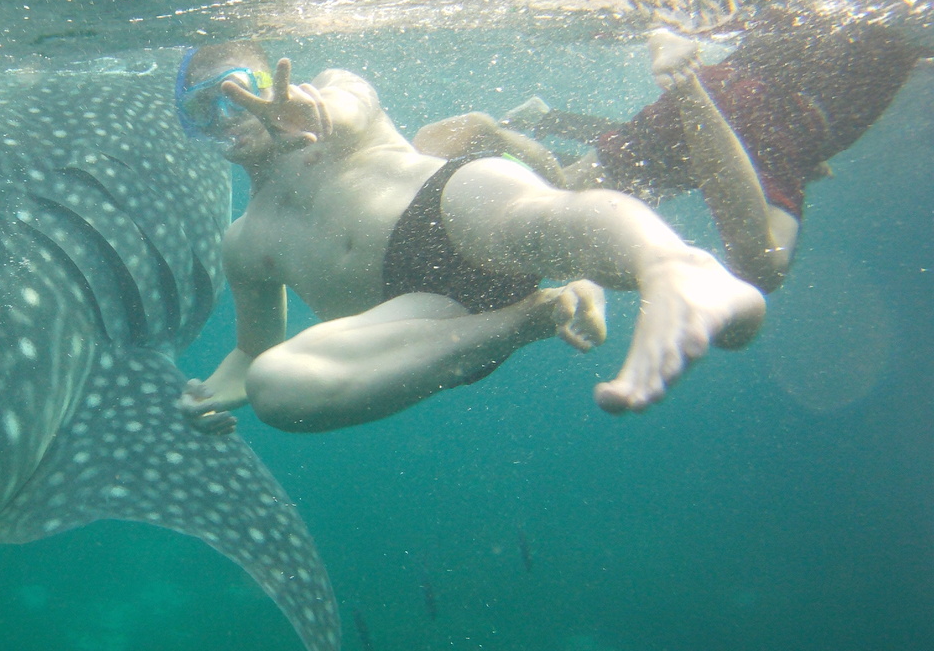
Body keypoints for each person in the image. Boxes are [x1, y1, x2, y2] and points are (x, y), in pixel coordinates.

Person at [172, 42, 766, 435]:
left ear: (275, 78)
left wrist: (312, 107)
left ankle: (674, 267)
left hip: (446, 203)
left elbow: (348, 106)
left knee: (535, 217)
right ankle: (534, 316)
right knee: (277, 388)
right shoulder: (244, 241)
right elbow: (253, 352)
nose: (231, 115)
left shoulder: (329, 94)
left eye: (238, 89)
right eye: (204, 110)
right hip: (426, 318)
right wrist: (210, 396)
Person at [414, 20, 927, 292]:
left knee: (560, 194)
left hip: (728, 93)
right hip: (756, 112)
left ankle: (505, 136)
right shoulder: (894, 53)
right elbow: (783, 117)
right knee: (761, 267)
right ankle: (680, 84)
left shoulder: (869, 50)